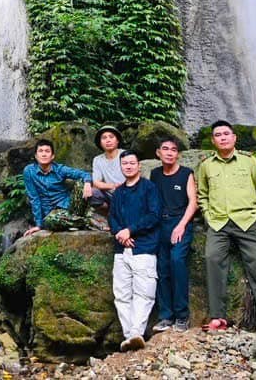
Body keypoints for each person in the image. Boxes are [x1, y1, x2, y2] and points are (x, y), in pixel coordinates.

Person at [196, 120, 256, 331]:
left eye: (226, 133)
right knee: (212, 259)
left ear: (234, 138)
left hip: (247, 221)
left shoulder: (249, 162)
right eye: (218, 135)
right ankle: (218, 317)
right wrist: (207, 215)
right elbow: (202, 195)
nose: (222, 137)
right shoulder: (206, 165)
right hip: (219, 223)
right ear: (213, 140)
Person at [108, 150, 161, 351]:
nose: (128, 166)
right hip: (121, 249)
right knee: (121, 294)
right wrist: (120, 234)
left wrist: (130, 230)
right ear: (121, 167)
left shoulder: (149, 188)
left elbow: (154, 215)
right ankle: (129, 335)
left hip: (144, 247)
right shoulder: (119, 192)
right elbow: (112, 217)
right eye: (124, 164)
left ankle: (136, 332)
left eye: (132, 163)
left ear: (139, 165)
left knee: (144, 292)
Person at [151, 136, 197, 332]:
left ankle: (182, 316)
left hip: (180, 222)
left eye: (173, 149)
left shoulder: (186, 173)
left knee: (177, 262)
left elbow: (193, 202)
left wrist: (181, 226)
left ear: (178, 154)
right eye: (165, 149)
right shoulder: (155, 174)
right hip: (160, 224)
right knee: (161, 268)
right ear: (158, 153)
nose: (169, 152)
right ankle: (165, 316)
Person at [22, 138, 93, 236]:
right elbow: (34, 199)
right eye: (40, 151)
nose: (44, 154)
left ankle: (76, 221)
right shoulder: (29, 171)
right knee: (50, 221)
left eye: (47, 151)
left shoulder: (60, 169)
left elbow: (83, 174)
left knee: (82, 182)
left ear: (52, 156)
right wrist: (38, 225)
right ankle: (86, 221)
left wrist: (88, 183)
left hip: (69, 207)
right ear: (36, 156)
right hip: (51, 214)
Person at [90, 124, 126, 213]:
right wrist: (113, 186)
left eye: (111, 137)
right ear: (100, 143)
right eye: (104, 138)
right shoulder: (98, 160)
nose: (108, 140)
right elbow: (96, 183)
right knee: (91, 192)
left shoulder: (126, 155)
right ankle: (108, 211)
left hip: (127, 193)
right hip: (109, 195)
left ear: (117, 141)